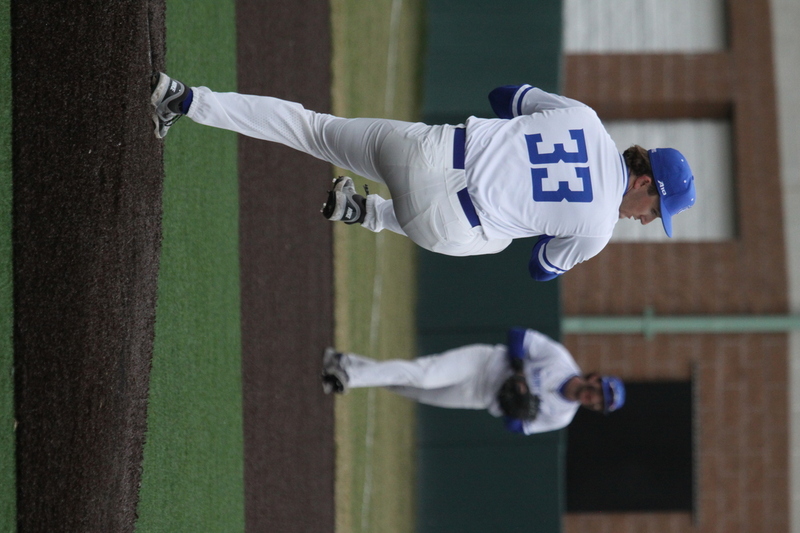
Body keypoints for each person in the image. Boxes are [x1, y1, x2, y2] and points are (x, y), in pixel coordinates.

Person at [150, 72, 696, 280]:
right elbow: (539, 269)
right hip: (443, 225)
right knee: (501, 235)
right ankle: (366, 212)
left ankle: (184, 98)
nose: (648, 221)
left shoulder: (585, 118)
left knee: (315, 128)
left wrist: (518, 143)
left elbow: (503, 95)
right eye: (656, 210)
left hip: (426, 150)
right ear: (644, 183)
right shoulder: (597, 230)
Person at [320, 327, 625, 435]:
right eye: (600, 392)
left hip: (479, 396)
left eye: (600, 404)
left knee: (405, 387)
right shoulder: (560, 359)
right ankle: (347, 377)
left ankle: (345, 362)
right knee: (423, 375)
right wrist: (519, 372)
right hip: (482, 363)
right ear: (595, 379)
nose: (594, 399)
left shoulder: (561, 416)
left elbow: (517, 427)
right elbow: (518, 335)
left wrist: (515, 409)